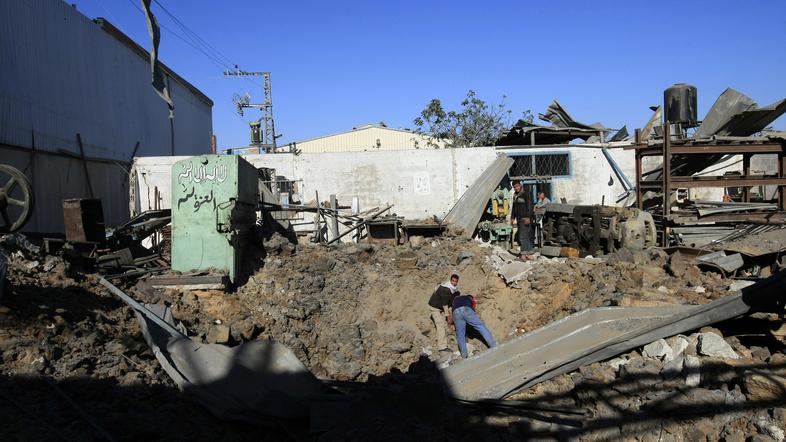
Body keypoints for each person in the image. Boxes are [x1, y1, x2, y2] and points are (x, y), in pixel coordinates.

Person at [450, 293, 496, 358]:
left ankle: (464, 355)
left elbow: (453, 311)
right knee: (480, 326)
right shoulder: (470, 298)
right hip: (465, 309)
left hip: (455, 313)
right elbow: (473, 309)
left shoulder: (455, 300)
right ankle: (493, 345)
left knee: (460, 335)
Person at [428, 274, 459, 351]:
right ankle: (442, 347)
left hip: (438, 306)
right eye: (453, 281)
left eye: (456, 281)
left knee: (442, 324)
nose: (454, 283)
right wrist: (448, 315)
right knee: (440, 325)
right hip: (434, 307)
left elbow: (436, 288)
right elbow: (445, 304)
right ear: (450, 280)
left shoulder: (447, 285)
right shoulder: (447, 289)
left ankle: (442, 340)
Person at [510, 181, 535, 253]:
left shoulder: (526, 193)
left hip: (525, 218)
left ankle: (523, 254)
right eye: (514, 187)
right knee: (525, 236)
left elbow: (530, 206)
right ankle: (529, 253)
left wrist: (528, 217)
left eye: (517, 186)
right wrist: (512, 218)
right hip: (519, 218)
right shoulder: (515, 195)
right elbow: (514, 207)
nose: (516, 188)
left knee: (523, 236)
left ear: (520, 185)